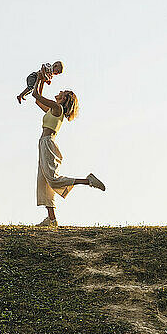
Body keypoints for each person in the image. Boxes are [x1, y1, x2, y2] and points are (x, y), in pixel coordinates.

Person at [32, 70, 105, 227]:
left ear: (64, 99)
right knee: (44, 181)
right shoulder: (53, 109)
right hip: (43, 143)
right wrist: (42, 81)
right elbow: (37, 100)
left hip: (48, 143)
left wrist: (39, 78)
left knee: (52, 179)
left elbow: (36, 96)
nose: (59, 92)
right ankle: (51, 220)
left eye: (62, 93)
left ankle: (88, 181)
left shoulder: (58, 108)